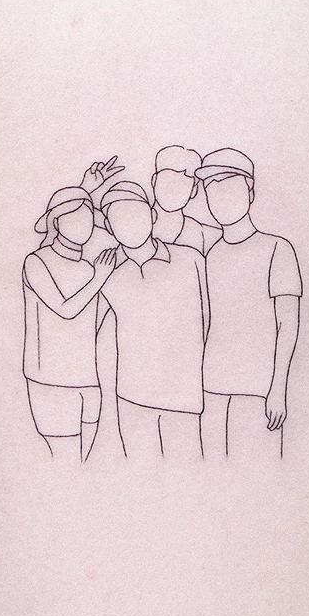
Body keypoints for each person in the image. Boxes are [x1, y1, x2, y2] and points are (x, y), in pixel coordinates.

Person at [197, 148, 302, 458]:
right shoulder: (211, 254)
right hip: (211, 387)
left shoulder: (277, 249)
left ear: (250, 192)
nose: (220, 197)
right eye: (212, 189)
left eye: (230, 186)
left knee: (260, 474)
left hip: (258, 391)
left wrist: (278, 388)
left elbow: (288, 324)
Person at [97, 181, 210, 460]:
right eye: (118, 218)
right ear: (109, 228)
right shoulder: (107, 275)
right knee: (140, 474)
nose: (129, 224)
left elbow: (207, 322)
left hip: (183, 397)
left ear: (152, 215)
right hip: (131, 398)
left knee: (188, 472)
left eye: (136, 214)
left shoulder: (191, 259)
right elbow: (99, 337)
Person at [23, 183, 117, 462]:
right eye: (73, 217)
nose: (82, 224)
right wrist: (100, 279)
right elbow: (65, 309)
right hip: (50, 378)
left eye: (87, 217)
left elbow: (98, 317)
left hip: (89, 378)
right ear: (55, 222)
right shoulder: (37, 262)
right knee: (64, 458)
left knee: (85, 460)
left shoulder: (89, 267)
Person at [151, 144, 221, 254]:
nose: (173, 189)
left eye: (182, 184)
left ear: (194, 190)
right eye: (168, 180)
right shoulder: (132, 227)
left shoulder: (208, 237)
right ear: (154, 180)